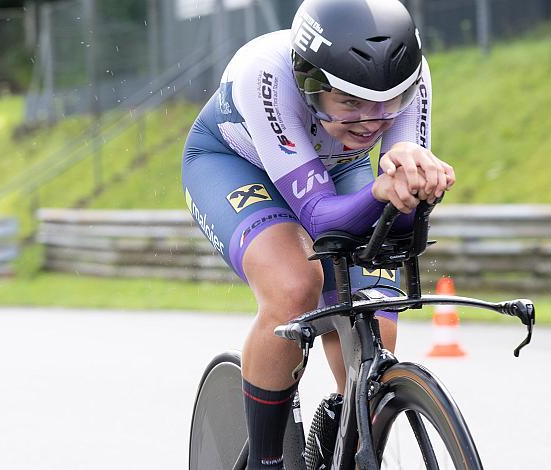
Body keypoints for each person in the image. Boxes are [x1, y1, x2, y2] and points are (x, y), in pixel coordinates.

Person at [182, 0, 455, 468]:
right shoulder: (265, 73)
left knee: (377, 311)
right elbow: (321, 218)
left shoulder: (409, 76)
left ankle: (344, 434)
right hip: (236, 164)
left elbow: (399, 226)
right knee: (294, 287)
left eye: (390, 102)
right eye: (349, 102)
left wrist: (419, 187)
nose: (371, 120)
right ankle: (267, 462)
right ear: (311, 84)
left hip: (337, 165)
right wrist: (381, 191)